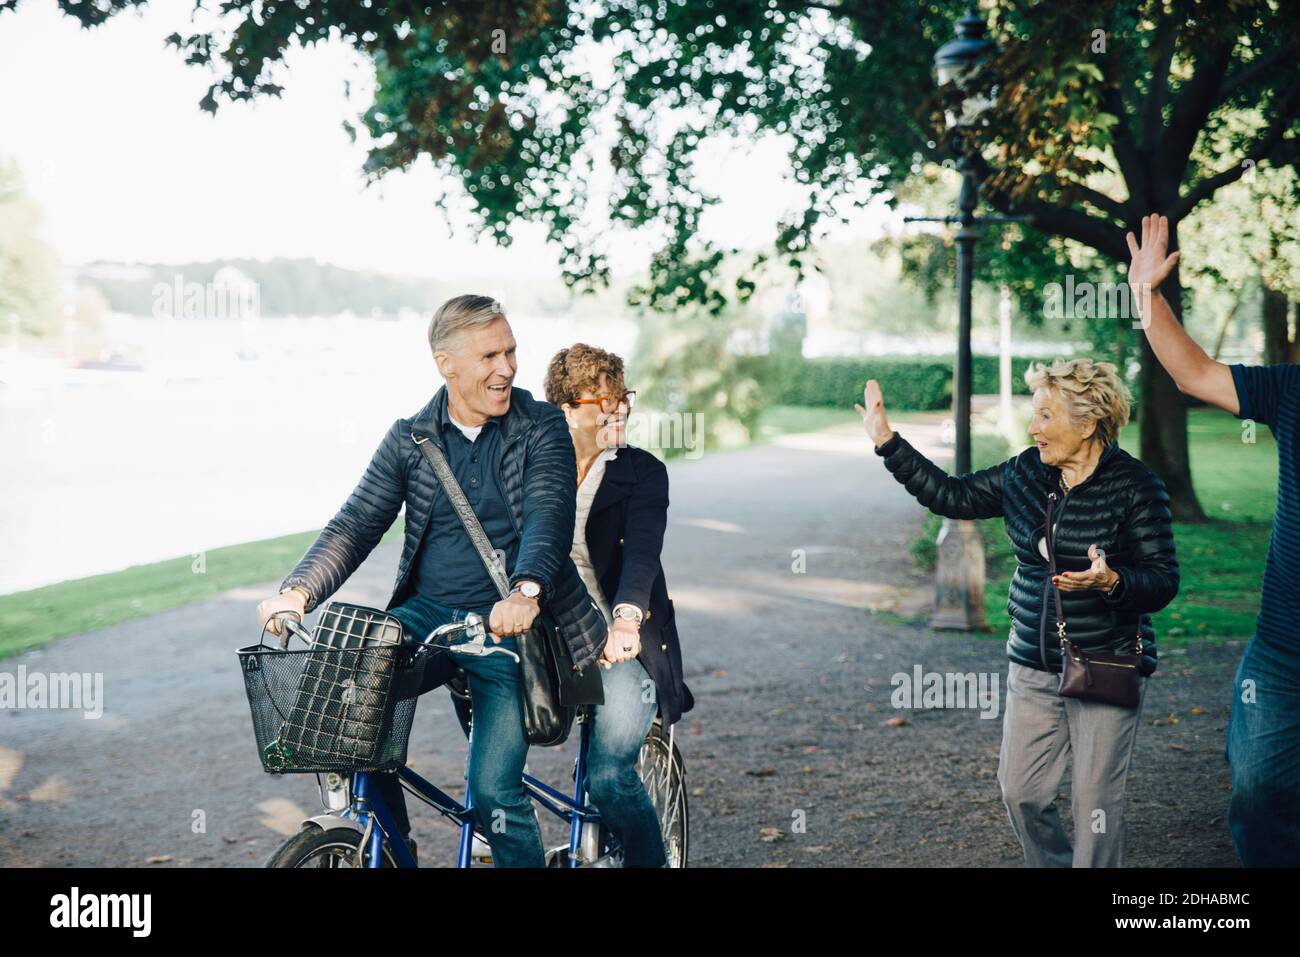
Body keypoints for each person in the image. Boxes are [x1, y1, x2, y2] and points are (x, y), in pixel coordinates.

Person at [256, 294, 607, 867]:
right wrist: (297, 591)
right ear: (446, 364)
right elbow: (355, 524)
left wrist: (526, 592)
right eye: (490, 355)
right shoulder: (412, 438)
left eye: (511, 351)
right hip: (428, 614)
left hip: (508, 631)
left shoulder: (539, 426)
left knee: (494, 793)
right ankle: (387, 846)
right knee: (343, 702)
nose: (508, 368)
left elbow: (548, 517)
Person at [857, 357, 1179, 866]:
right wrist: (887, 443)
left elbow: (1162, 581)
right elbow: (953, 496)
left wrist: (1112, 581)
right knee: (1021, 791)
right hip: (1033, 658)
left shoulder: (1136, 486)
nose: (1034, 428)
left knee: (1095, 803)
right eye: (1035, 415)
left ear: (1089, 421)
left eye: (1046, 416)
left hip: (1106, 661)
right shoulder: (1027, 471)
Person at [1127, 213, 1300, 866]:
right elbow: (1194, 373)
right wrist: (1147, 296)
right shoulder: (1292, 391)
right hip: (1285, 649)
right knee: (1258, 790)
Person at [544, 343, 692, 867]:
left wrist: (627, 620)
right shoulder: (542, 469)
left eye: (623, 397)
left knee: (609, 777)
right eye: (603, 401)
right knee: (495, 770)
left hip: (622, 642)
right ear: (566, 408)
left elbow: (642, 555)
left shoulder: (642, 472)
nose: (619, 410)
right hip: (550, 641)